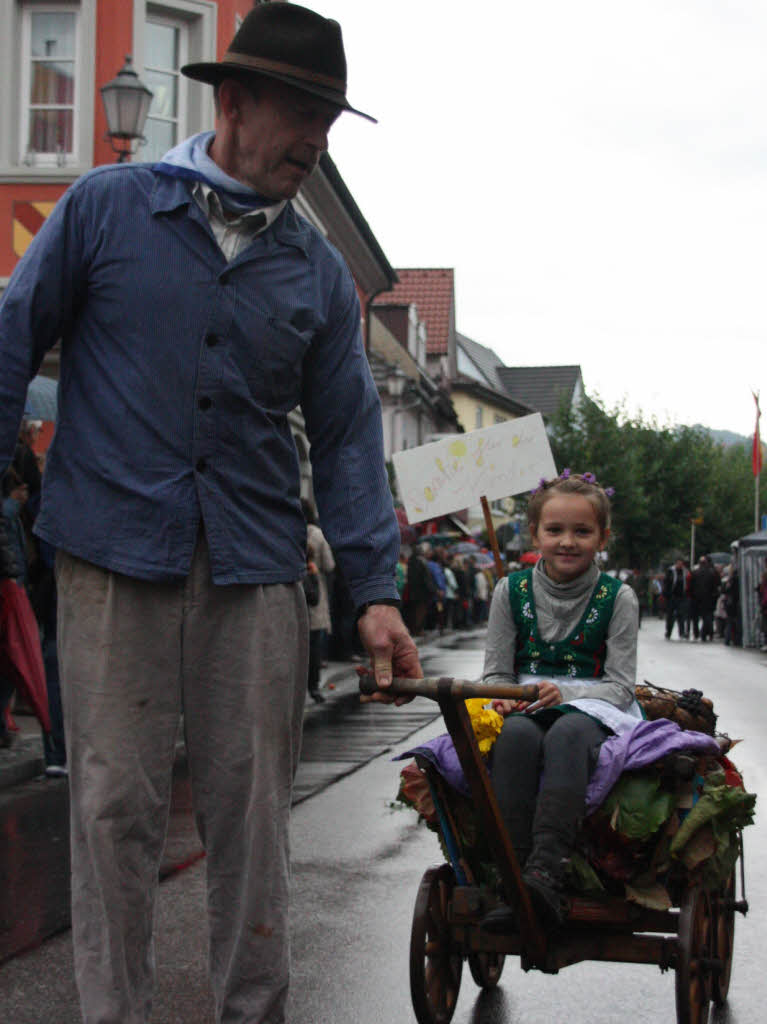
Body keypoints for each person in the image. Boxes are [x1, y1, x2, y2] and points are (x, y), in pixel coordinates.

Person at [0, 6, 421, 1023]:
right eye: (303, 111)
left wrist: (373, 590)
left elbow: (350, 436)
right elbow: (10, 343)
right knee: (112, 812)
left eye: (330, 115)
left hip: (255, 565)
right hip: (109, 553)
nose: (316, 138)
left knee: (249, 820)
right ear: (233, 102)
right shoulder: (106, 209)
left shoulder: (316, 272)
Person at [480, 471, 640, 932]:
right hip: (524, 706)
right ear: (535, 534)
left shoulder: (619, 597)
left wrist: (567, 694)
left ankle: (545, 872)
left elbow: (620, 685)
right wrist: (502, 697)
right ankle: (514, 875)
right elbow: (496, 672)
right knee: (514, 738)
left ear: (602, 537)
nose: (567, 541)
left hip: (593, 706)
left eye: (582, 531)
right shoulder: (508, 591)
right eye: (555, 530)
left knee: (568, 734)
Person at [663, 556, 687, 640]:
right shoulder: (670, 571)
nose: (680, 565)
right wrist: (666, 594)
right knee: (670, 616)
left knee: (681, 615)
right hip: (671, 597)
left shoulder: (685, 572)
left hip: (681, 597)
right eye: (678, 563)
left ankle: (682, 633)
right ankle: (668, 632)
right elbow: (666, 583)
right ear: (676, 563)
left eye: (681, 563)